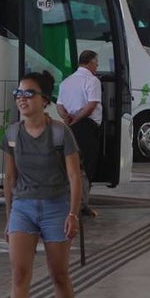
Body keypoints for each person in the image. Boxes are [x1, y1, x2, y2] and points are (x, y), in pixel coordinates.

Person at [0, 71, 82, 298]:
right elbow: (9, 177)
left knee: (59, 274)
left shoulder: (60, 132)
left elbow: (74, 176)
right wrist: (9, 217)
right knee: (19, 274)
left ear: (44, 100)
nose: (22, 99)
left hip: (56, 206)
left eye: (29, 94)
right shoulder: (12, 134)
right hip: (23, 207)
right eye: (19, 94)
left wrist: (73, 214)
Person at [56, 50, 102, 217]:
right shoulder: (92, 80)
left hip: (69, 127)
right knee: (85, 166)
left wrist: (66, 118)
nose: (97, 67)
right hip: (86, 127)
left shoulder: (66, 81)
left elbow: (59, 106)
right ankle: (81, 204)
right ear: (90, 63)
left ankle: (68, 203)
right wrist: (77, 118)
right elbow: (91, 106)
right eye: (96, 63)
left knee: (70, 164)